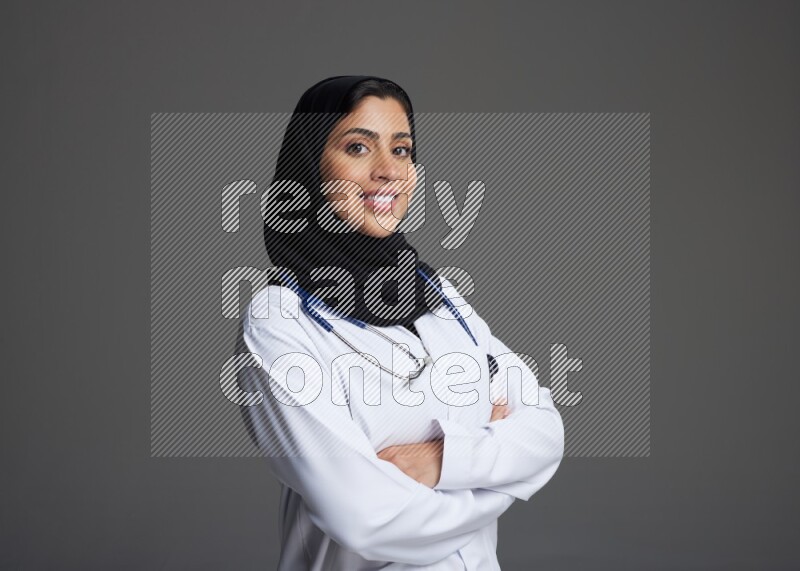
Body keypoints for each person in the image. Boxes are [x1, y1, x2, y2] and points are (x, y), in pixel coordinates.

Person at [235, 75, 565, 570]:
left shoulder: (438, 296)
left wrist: (441, 461)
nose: (389, 170)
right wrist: (497, 474)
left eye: (403, 149)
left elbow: (545, 433)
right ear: (309, 169)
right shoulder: (279, 322)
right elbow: (365, 519)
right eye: (358, 147)